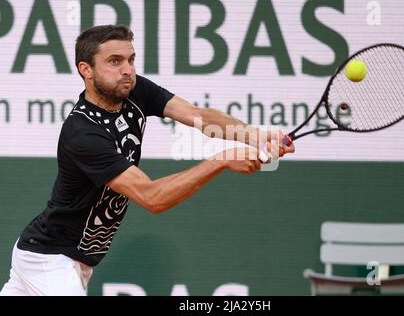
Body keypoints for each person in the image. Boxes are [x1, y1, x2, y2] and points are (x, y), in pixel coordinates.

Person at [0, 25, 295, 296]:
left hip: (66, 260)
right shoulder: (83, 133)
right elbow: (152, 197)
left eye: (131, 59)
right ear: (86, 70)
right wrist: (221, 160)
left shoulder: (134, 90)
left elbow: (200, 118)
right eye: (114, 61)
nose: (127, 69)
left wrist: (256, 136)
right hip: (50, 259)